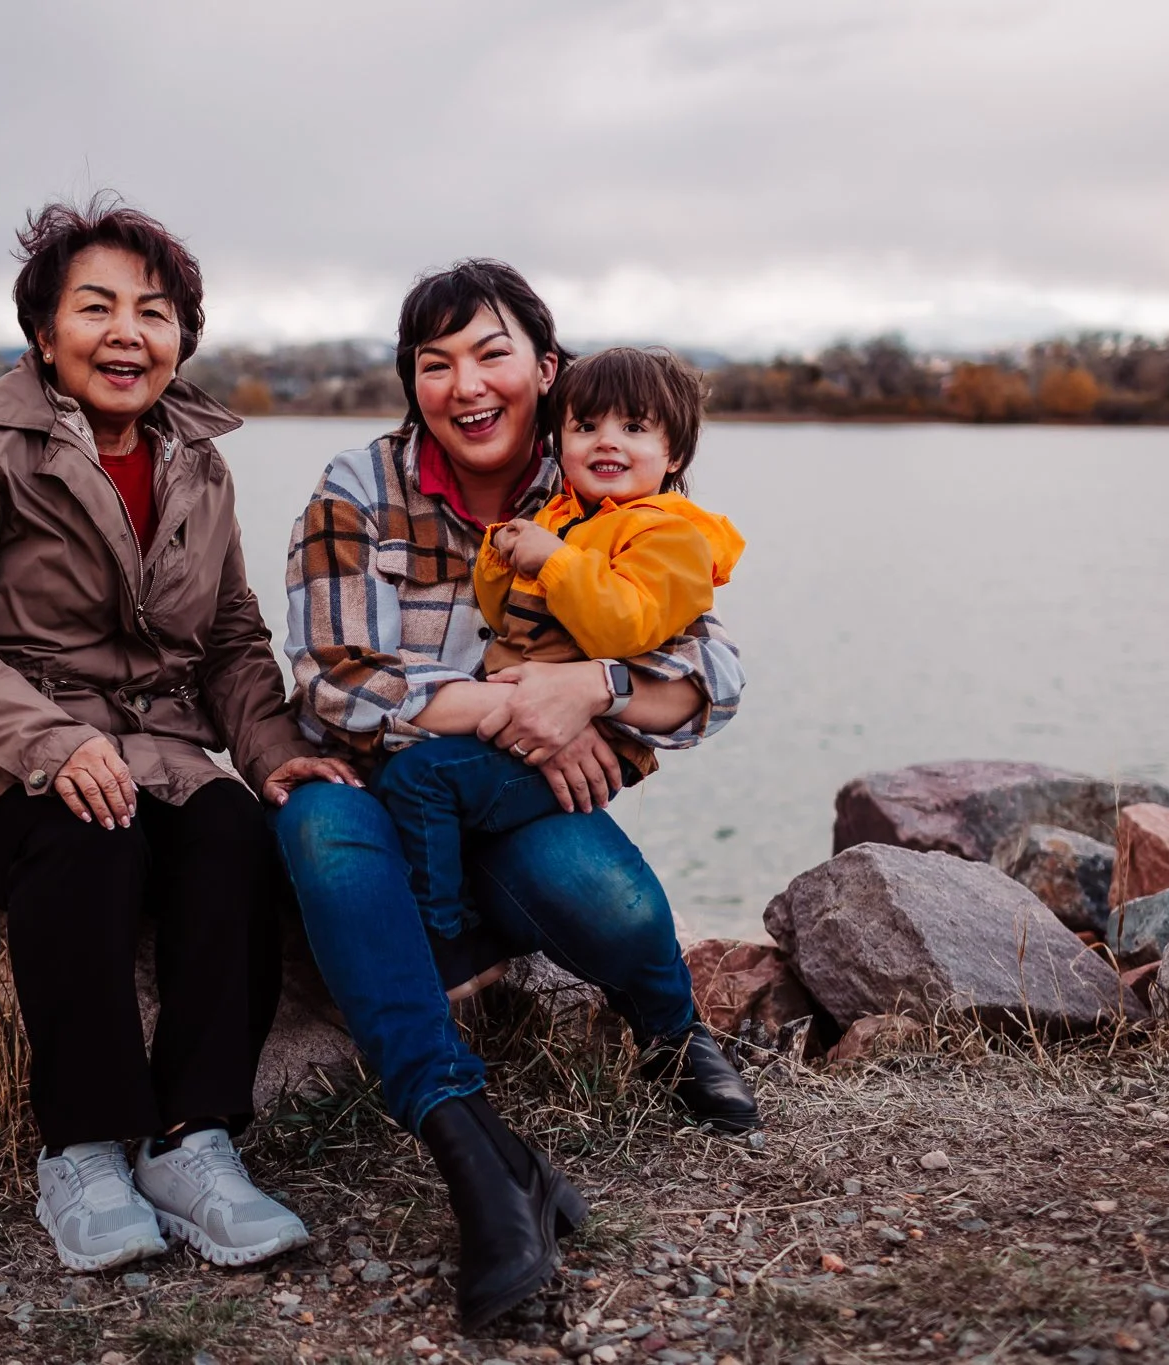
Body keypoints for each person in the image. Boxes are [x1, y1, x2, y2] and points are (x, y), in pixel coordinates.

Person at [0, 195, 356, 1273]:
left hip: (146, 745)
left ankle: (194, 1143)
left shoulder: (197, 464)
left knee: (229, 828)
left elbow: (227, 640)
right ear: (45, 333)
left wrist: (271, 754)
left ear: (182, 339)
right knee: (92, 834)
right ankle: (80, 1149)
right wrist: (47, 744)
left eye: (155, 311)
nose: (128, 333)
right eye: (97, 308)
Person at [275, 261, 761, 1331]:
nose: (465, 384)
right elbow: (333, 680)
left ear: (546, 369)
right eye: (433, 364)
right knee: (319, 836)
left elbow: (712, 675)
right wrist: (512, 708)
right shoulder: (358, 488)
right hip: (372, 789)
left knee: (613, 905)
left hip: (506, 805)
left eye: (491, 353)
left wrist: (590, 688)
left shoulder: (597, 483)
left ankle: (671, 1032)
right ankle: (475, 1157)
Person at [372, 347, 744, 988]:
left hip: (595, 745)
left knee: (418, 783)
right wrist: (502, 552)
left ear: (673, 454)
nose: (607, 443)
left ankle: (452, 941)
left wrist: (553, 561)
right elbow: (502, 613)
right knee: (421, 784)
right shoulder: (568, 519)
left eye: (633, 428)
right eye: (585, 426)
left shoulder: (670, 536)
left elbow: (623, 624)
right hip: (520, 735)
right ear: (560, 438)